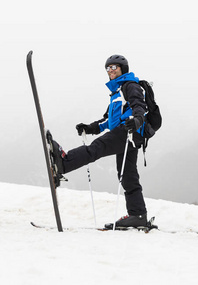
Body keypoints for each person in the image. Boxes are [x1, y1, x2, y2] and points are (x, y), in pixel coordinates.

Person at [50, 54, 148, 228]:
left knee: (96, 148)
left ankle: (63, 164)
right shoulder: (117, 92)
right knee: (127, 175)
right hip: (129, 134)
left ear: (122, 69)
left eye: (114, 67)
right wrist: (89, 128)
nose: (110, 70)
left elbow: (140, 106)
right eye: (108, 68)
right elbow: (107, 121)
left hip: (129, 131)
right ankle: (138, 215)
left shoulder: (130, 86)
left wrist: (137, 120)